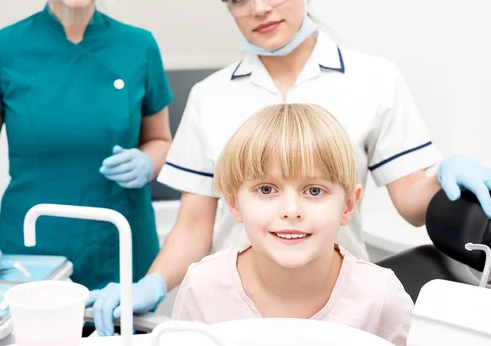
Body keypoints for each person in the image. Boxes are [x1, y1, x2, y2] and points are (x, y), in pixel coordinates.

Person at [88, 0, 491, 335]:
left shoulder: (374, 80)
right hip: (234, 306)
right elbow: (194, 224)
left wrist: (444, 178)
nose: (259, 7)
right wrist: (152, 284)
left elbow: (410, 201)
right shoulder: (209, 97)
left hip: (342, 305)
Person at [0, 0, 172, 314]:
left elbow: (160, 139)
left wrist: (147, 162)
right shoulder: (0, 50)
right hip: (32, 251)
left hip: (120, 248)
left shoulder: (139, 47)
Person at [172, 103, 413, 346]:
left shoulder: (380, 297)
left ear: (348, 206)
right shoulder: (203, 287)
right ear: (234, 203)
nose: (291, 211)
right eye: (266, 189)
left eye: (314, 190)